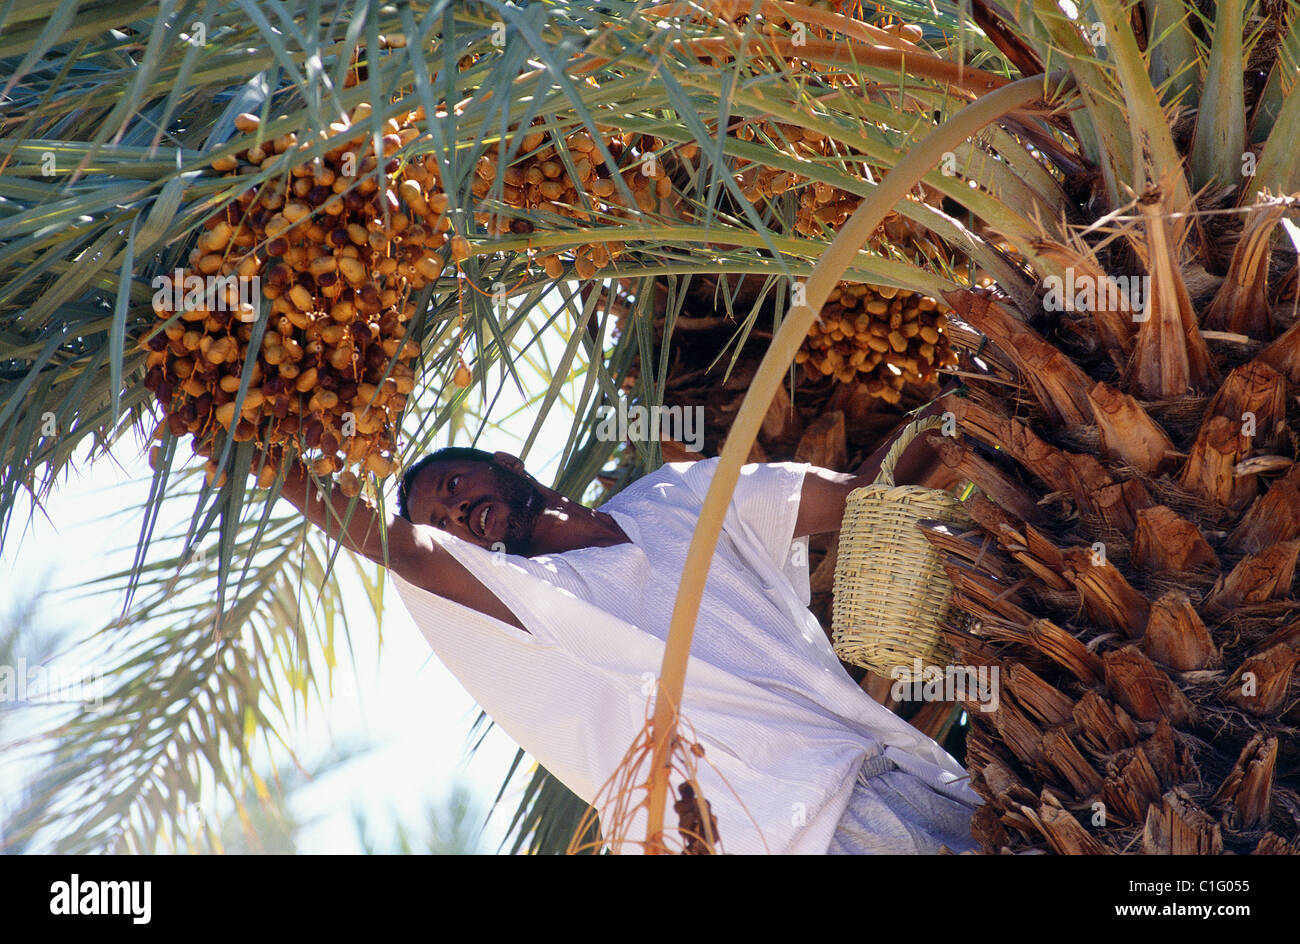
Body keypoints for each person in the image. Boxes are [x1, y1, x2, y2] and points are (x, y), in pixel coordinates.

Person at [276, 398, 981, 854]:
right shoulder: (534, 604)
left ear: (506, 465)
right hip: (801, 836)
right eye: (443, 520)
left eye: (455, 488)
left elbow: (864, 499)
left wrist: (971, 405)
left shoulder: (681, 497)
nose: (456, 515)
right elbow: (403, 550)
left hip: (901, 771)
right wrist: (279, 462)